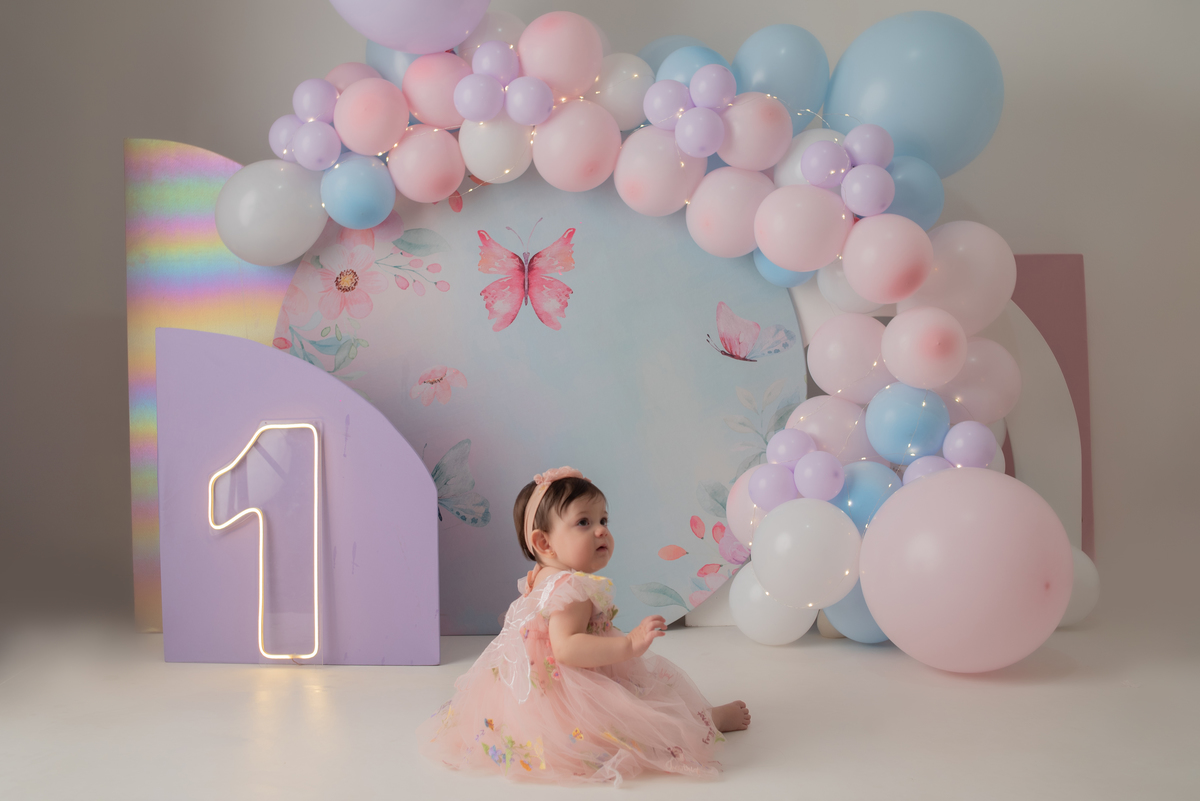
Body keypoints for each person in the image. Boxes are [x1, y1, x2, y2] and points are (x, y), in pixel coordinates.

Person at [418, 467, 750, 785]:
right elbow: (567, 648)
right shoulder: (571, 589)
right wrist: (629, 644)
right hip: (571, 684)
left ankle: (700, 719)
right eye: (583, 522)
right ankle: (709, 721)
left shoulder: (540, 577)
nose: (601, 530)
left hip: (531, 690)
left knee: (642, 704)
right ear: (544, 543)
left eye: (603, 520)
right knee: (642, 715)